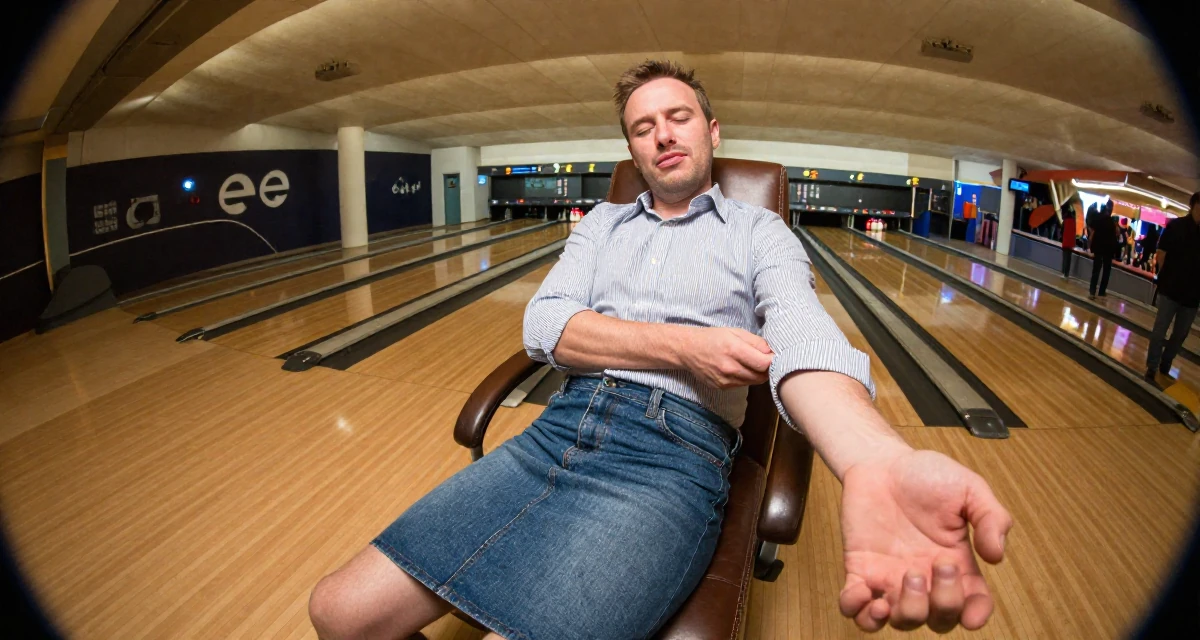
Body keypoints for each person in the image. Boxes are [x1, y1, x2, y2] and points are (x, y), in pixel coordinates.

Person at [306, 60, 1013, 640]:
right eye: (643, 128)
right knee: (337, 612)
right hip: (555, 432)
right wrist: (684, 346)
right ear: (633, 149)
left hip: (671, 462)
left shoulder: (758, 232)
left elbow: (803, 336)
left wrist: (874, 459)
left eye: (678, 117)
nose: (662, 135)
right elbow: (545, 325)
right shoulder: (601, 224)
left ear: (711, 130)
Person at [1145, 191, 1200, 383]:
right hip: (1170, 289)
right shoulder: (1176, 226)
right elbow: (1161, 253)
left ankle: (1166, 362)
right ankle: (1152, 366)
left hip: (1192, 296)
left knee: (1180, 336)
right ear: (1192, 206)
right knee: (1159, 331)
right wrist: (1164, 276)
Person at [1086, 200, 1117, 299]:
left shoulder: (1099, 218)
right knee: (1106, 271)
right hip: (1107, 250)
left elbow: (1091, 227)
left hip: (1098, 248)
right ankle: (1101, 291)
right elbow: (1113, 239)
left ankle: (1092, 291)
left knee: (1096, 270)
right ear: (1111, 209)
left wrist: (1091, 246)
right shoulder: (1111, 223)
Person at [1061, 202, 1077, 278]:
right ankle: (1066, 273)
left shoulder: (1065, 221)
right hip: (1070, 242)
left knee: (1065, 257)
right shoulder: (1073, 221)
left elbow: (1062, 231)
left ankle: (1063, 272)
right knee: (1068, 258)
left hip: (1065, 241)